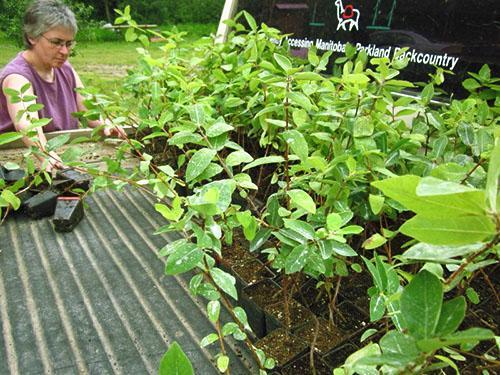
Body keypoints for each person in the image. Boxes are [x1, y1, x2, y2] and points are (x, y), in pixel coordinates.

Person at [0, 0, 126, 172]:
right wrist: (48, 156)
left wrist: (106, 125)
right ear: (32, 37)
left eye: (68, 43)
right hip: (19, 166)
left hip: (63, 158)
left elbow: (87, 111)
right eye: (56, 42)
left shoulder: (64, 69)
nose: (65, 52)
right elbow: (27, 125)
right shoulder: (17, 78)